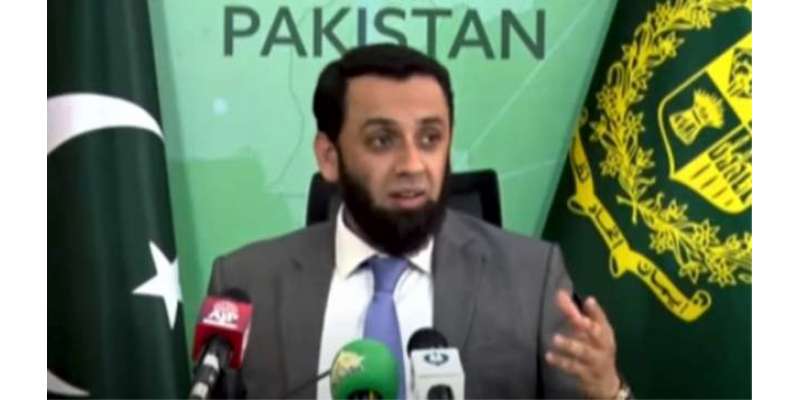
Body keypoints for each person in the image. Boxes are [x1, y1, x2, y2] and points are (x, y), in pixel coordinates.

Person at [207, 43, 629, 399]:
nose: (412, 164)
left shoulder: (530, 282)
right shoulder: (247, 286)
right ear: (329, 157)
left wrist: (609, 392)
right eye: (381, 140)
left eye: (430, 138)